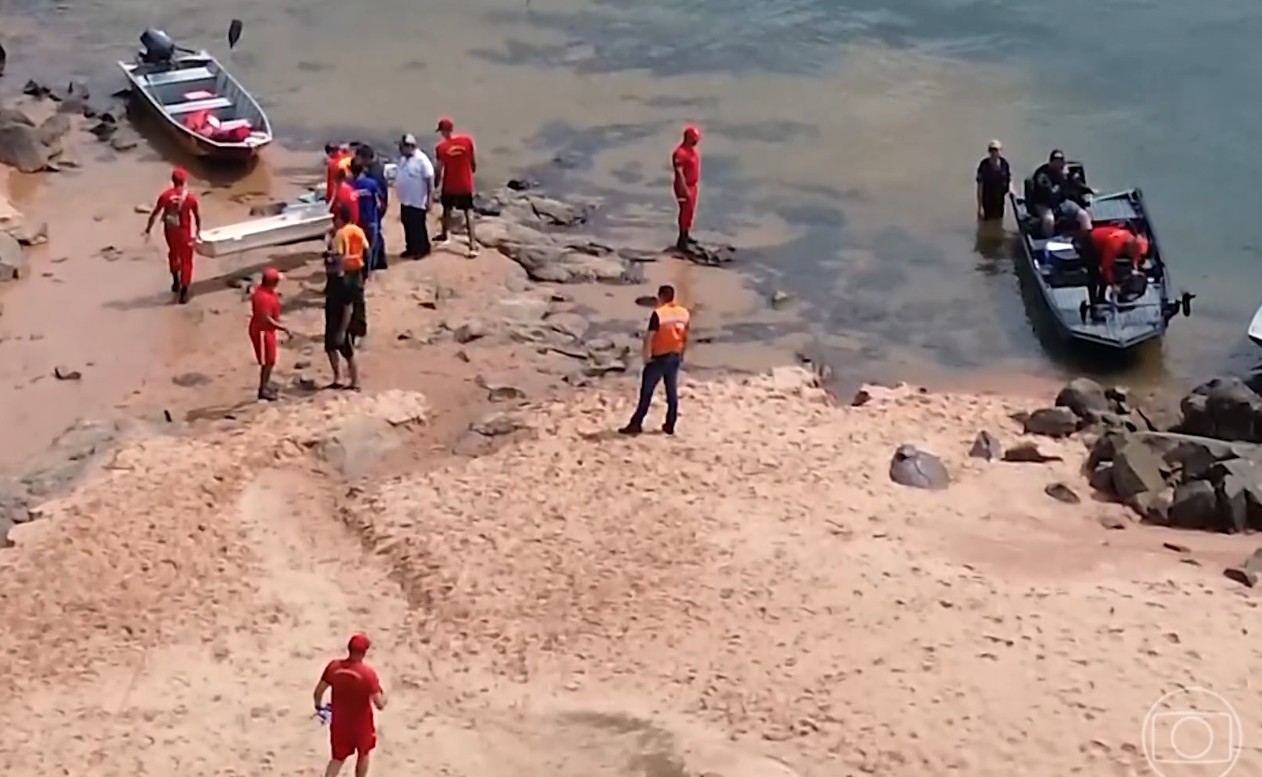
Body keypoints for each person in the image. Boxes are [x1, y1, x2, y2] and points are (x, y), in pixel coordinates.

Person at [619, 284, 690, 436]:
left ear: (660, 297)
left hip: (659, 357)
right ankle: (670, 424)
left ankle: (636, 424)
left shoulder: (658, 314)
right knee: (671, 392)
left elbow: (649, 337)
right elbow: (685, 335)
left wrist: (646, 357)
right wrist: (682, 352)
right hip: (675, 355)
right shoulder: (683, 313)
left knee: (646, 392)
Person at [313, 633, 387, 777]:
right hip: (361, 724)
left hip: (340, 723)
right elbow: (379, 704)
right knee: (363, 754)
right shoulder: (368, 674)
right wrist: (385, 697)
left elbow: (318, 692)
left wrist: (319, 708)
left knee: (337, 758)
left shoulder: (334, 667)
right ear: (364, 653)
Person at [143, 167, 201, 304]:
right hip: (184, 233)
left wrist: (148, 229)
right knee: (186, 261)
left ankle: (175, 281)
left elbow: (155, 213)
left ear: (172, 180)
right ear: (184, 181)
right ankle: (184, 291)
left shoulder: (165, 196)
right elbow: (197, 216)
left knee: (173, 254)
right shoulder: (190, 198)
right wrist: (198, 230)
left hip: (170, 231)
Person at [434, 116, 478, 257]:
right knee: (468, 212)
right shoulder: (467, 141)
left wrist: (436, 183)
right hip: (465, 183)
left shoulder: (441, 148)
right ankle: (473, 244)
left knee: (447, 209)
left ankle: (444, 234)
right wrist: (471, 170)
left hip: (450, 184)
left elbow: (439, 169)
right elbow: (473, 162)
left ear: (442, 131)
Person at [248, 267, 290, 402]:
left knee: (270, 361)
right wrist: (283, 328)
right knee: (267, 362)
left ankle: (265, 385)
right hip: (263, 332)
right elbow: (266, 318)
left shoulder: (264, 292)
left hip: (267, 330)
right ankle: (263, 389)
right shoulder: (263, 297)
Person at [1029, 149, 1093, 237]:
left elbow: (1078, 186)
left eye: (1060, 162)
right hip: (1045, 204)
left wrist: (1088, 192)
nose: (1058, 164)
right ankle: (1048, 241)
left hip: (1062, 202)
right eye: (1056, 161)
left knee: (1083, 215)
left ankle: (1087, 240)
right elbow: (1050, 195)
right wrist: (1062, 178)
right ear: (1051, 162)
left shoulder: (1067, 172)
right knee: (1049, 220)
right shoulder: (1042, 176)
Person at [1083, 224, 1149, 305]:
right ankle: (1093, 301)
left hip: (1106, 241)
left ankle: (1101, 296)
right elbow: (1105, 268)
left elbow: (1135, 260)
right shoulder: (1114, 245)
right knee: (1095, 272)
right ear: (1129, 247)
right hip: (1091, 241)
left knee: (1114, 270)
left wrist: (1134, 272)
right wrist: (1112, 284)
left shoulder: (1139, 247)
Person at [395, 133, 435, 259]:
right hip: (405, 200)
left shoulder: (422, 160)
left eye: (403, 147)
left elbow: (430, 179)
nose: (400, 149)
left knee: (418, 226)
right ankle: (410, 247)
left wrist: (430, 198)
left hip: (417, 200)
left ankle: (422, 249)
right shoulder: (403, 160)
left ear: (410, 147)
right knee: (407, 223)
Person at [355, 144, 391, 266]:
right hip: (378, 204)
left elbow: (378, 192)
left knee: (373, 234)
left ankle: (375, 262)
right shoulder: (375, 166)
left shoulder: (374, 173)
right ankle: (380, 260)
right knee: (376, 233)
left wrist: (380, 207)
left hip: (375, 206)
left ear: (364, 158)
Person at [350, 159, 384, 279]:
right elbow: (379, 201)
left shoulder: (349, 185)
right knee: (370, 247)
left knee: (356, 248)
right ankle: (368, 272)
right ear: (363, 169)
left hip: (356, 222)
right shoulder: (372, 184)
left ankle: (357, 271)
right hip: (371, 220)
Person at [672, 124, 702, 251]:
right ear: (688, 138)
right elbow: (679, 172)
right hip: (684, 185)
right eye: (694, 139)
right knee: (684, 212)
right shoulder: (680, 153)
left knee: (690, 212)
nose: (697, 141)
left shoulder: (692, 151)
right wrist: (683, 188)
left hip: (693, 185)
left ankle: (686, 234)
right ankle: (682, 240)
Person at [975, 139, 1012, 222]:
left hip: (1000, 199)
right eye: (991, 150)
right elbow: (980, 186)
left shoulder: (1004, 164)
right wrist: (980, 207)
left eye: (996, 150)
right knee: (985, 221)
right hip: (987, 199)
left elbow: (1009, 178)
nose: (993, 152)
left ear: (1000, 151)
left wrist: (1011, 190)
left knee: (998, 221)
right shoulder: (984, 165)